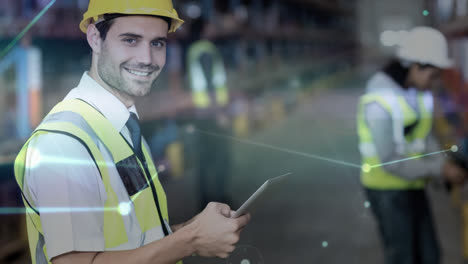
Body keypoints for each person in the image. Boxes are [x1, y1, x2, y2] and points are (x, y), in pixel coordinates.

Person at [13, 0, 250, 263]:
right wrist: (189, 239)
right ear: (94, 38)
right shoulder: (65, 143)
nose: (146, 59)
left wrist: (193, 231)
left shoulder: (123, 127)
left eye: (157, 43)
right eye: (130, 40)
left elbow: (130, 238)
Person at [357, 26, 466, 264]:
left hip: (413, 184)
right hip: (387, 191)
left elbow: (423, 137)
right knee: (403, 257)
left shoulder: (416, 90)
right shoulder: (379, 100)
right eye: (433, 75)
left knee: (429, 256)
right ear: (416, 65)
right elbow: (389, 160)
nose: (435, 82)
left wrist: (443, 164)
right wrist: (440, 170)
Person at [186, 17, 232, 209]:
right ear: (204, 29)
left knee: (204, 159)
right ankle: (220, 199)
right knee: (222, 157)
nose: (214, 26)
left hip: (201, 114)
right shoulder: (206, 50)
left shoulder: (194, 50)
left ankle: (205, 201)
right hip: (211, 115)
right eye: (210, 24)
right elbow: (210, 84)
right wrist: (219, 113)